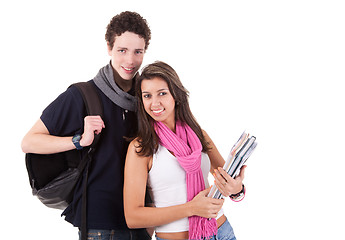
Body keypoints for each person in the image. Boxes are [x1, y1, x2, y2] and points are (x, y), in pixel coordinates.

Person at [21, 11, 152, 240]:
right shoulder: (83, 95)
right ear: (109, 48)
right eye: (122, 50)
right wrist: (78, 141)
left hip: (143, 222)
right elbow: (29, 142)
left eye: (137, 52)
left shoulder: (147, 98)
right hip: (100, 226)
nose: (130, 60)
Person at [124, 61, 246, 240]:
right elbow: (133, 217)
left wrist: (237, 188)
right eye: (147, 96)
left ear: (176, 95)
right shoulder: (141, 147)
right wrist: (191, 208)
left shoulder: (199, 135)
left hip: (221, 233)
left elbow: (226, 179)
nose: (154, 103)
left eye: (162, 93)